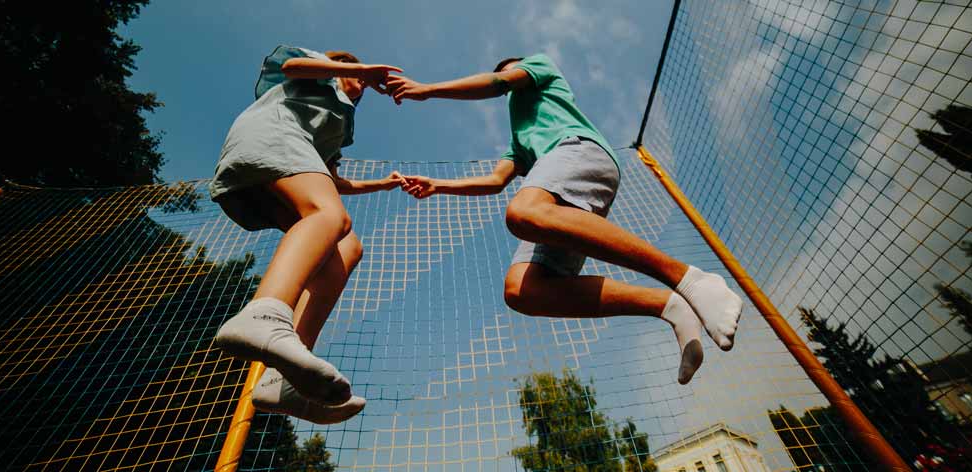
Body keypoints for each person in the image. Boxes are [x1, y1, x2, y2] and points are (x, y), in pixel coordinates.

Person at [383, 55, 742, 384]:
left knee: (525, 212)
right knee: (524, 290)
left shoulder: (541, 69)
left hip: (579, 152)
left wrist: (428, 90)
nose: (505, 75)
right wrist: (438, 185)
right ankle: (670, 305)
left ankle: (689, 278)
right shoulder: (520, 138)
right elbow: (494, 181)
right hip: (560, 179)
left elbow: (500, 84)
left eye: (509, 69)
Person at [211, 46, 404, 423]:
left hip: (280, 164)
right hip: (269, 140)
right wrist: (363, 67)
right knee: (327, 215)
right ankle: (264, 314)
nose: (361, 89)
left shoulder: (341, 122)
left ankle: (281, 379)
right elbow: (291, 66)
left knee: (346, 247)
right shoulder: (320, 73)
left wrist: (383, 183)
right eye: (358, 80)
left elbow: (330, 178)